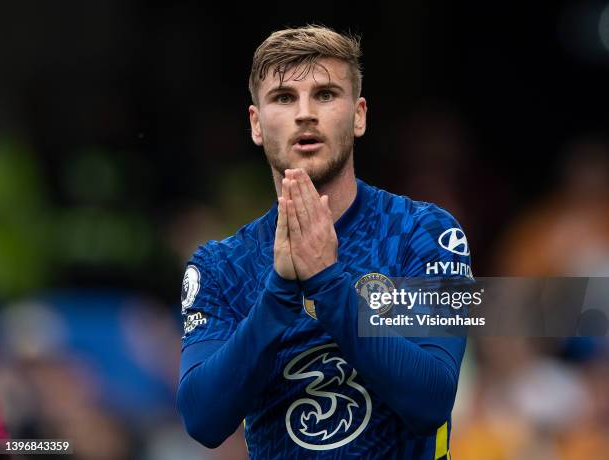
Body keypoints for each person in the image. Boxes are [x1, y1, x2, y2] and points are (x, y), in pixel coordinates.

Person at [177, 25, 472, 459]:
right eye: (283, 98)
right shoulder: (221, 265)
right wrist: (279, 294)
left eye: (326, 94)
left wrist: (328, 285)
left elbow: (431, 400)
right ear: (256, 124)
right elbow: (203, 421)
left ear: (359, 115)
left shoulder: (423, 233)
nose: (305, 114)